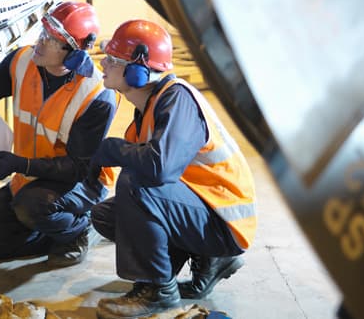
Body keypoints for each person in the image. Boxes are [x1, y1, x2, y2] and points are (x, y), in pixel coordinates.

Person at [89, 20, 257, 318]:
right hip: (204, 211)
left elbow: (160, 168)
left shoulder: (178, 99)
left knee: (136, 183)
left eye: (113, 60)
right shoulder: (147, 110)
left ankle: (157, 292)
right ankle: (208, 258)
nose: (104, 64)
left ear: (137, 72)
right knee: (107, 216)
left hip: (225, 221)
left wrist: (114, 149)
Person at [0, 1, 118, 267]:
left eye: (51, 39)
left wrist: (18, 164)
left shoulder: (97, 96)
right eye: (43, 32)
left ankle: (81, 227)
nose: (40, 40)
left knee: (31, 206)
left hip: (81, 183)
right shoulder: (22, 61)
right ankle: (51, 228)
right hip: (31, 177)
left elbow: (77, 168)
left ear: (73, 53)